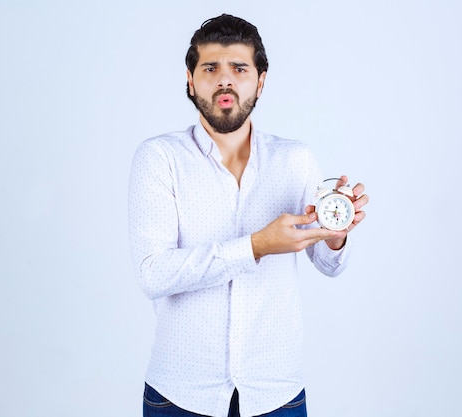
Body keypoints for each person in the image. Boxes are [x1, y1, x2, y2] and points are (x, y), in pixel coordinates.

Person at [128, 13, 369, 417]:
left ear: (260, 81)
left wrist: (336, 234)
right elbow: (153, 274)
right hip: (180, 394)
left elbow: (329, 264)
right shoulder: (159, 158)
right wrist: (256, 246)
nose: (225, 80)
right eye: (210, 68)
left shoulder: (295, 159)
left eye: (239, 68)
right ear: (190, 80)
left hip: (276, 392)